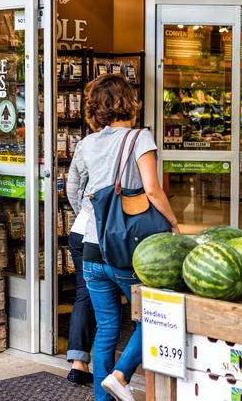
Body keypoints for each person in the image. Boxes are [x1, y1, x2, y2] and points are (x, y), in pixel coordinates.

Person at [67, 73, 180, 401]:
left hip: (92, 249)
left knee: (106, 330)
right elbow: (153, 189)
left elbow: (75, 189)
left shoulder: (86, 144)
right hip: (127, 251)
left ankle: (104, 398)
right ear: (127, 102)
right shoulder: (140, 137)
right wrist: (174, 223)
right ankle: (121, 374)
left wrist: (90, 218)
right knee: (155, 319)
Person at [63, 191, 95, 385]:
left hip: (80, 228)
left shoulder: (83, 157)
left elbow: (73, 187)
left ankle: (78, 363)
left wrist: (84, 211)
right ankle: (120, 372)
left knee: (84, 296)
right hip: (102, 234)